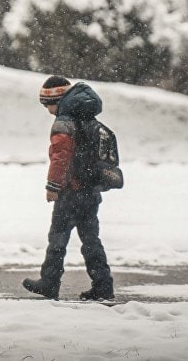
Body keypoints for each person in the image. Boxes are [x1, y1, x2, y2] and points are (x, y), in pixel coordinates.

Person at [22, 75, 115, 301]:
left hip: (71, 190)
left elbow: (60, 157)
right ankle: (103, 285)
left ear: (57, 100)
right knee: (91, 240)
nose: (48, 110)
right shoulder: (87, 116)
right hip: (90, 189)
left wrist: (53, 186)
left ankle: (49, 282)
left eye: (48, 104)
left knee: (58, 238)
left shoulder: (64, 121)